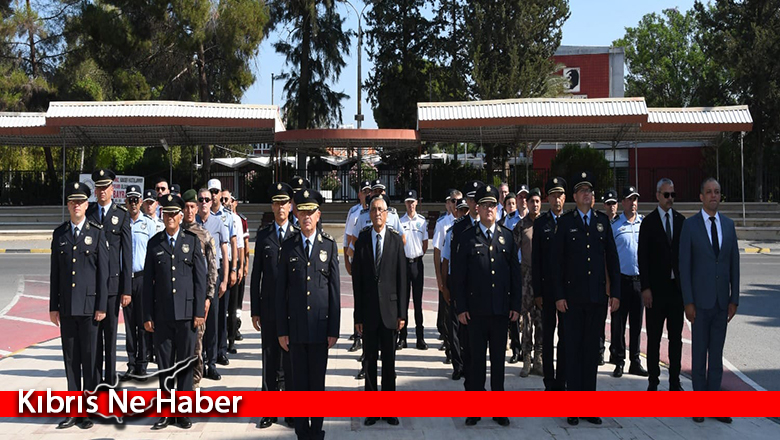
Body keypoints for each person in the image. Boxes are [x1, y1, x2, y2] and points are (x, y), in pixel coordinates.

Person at [553, 171, 620, 426]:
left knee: (591, 352)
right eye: (582, 190)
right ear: (574, 196)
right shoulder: (566, 223)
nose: (587, 194)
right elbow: (556, 263)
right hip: (571, 299)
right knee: (573, 351)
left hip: (596, 298)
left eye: (590, 191)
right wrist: (558, 295)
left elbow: (612, 260)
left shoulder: (602, 221)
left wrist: (615, 294)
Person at [452, 184, 520, 427]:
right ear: (477, 208)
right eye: (485, 205)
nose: (489, 209)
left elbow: (515, 275)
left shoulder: (508, 237)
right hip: (476, 312)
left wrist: (516, 305)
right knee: (476, 362)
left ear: (497, 208)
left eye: (493, 205)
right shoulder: (467, 237)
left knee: (499, 363)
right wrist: (460, 308)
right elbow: (458, 277)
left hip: (501, 311)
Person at [276, 189, 340, 440]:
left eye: (310, 212)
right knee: (299, 385)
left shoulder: (329, 246)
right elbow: (281, 293)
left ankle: (317, 430)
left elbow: (334, 290)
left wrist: (333, 329)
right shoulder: (289, 246)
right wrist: (282, 330)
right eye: (302, 212)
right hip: (296, 329)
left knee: (317, 386)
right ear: (297, 215)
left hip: (320, 329)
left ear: (318, 215)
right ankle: (302, 432)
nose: (306, 217)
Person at [143, 194, 206, 430]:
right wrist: (147, 316)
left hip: (188, 314)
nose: (170, 217)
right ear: (162, 215)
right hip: (162, 315)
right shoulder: (155, 243)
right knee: (165, 365)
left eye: (174, 213)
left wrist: (199, 311)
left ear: (181, 216)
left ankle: (184, 412)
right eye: (166, 213)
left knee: (186, 364)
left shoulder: (191, 241)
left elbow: (200, 279)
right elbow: (148, 284)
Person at [679, 178, 739, 425]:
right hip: (699, 303)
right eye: (709, 192)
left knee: (716, 356)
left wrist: (734, 298)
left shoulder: (729, 225)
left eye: (717, 192)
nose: (714, 196)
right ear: (701, 197)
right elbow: (684, 266)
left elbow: (734, 263)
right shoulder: (690, 226)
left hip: (721, 303)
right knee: (699, 356)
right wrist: (688, 301)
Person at [50, 182, 108, 430]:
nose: (76, 205)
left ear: (87, 205)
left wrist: (102, 305)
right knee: (71, 360)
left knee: (90, 359)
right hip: (67, 308)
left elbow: (103, 273)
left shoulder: (97, 232)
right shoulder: (60, 234)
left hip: (90, 308)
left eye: (80, 201)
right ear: (68, 205)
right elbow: (55, 274)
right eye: (72, 201)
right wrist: (54, 306)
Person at [352, 194, 406, 427]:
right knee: (370, 361)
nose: (377, 214)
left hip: (390, 312)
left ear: (387, 213)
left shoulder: (395, 240)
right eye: (373, 210)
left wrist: (402, 314)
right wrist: (358, 316)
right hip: (369, 313)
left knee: (390, 364)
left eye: (381, 210)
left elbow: (402, 279)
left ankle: (390, 409)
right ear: (369, 213)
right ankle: (372, 410)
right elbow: (357, 282)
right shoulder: (363, 240)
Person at [251, 183, 296, 430]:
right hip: (268, 307)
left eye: (284, 202)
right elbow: (256, 274)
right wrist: (255, 309)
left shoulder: (296, 234)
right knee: (269, 358)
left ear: (290, 206)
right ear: (273, 206)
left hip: (291, 308)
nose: (280, 207)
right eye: (277, 203)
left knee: (289, 359)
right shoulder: (264, 235)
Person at [638, 178, 685, 391]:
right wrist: (645, 288)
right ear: (658, 195)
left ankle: (675, 382)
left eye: (673, 195)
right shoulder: (648, 223)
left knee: (676, 339)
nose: (670, 199)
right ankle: (653, 381)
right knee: (654, 339)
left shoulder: (681, 221)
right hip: (655, 292)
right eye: (666, 195)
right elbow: (643, 258)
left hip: (676, 291)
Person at [86, 168, 131, 386]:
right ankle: (94, 381)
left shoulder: (121, 215)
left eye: (105, 187)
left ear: (112, 189)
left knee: (110, 338)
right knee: (93, 339)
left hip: (113, 286)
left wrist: (127, 289)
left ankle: (110, 381)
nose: (101, 191)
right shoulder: (89, 213)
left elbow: (127, 254)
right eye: (98, 188)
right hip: (92, 286)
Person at [444, 181, 484, 384]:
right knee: (464, 336)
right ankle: (466, 373)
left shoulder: (492, 226)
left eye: (478, 200)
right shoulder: (458, 229)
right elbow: (454, 264)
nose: (475, 204)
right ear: (467, 202)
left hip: (484, 293)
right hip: (466, 293)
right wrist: (450, 289)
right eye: (471, 200)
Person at [609, 186, 648, 378]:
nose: (633, 203)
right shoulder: (615, 226)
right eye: (629, 199)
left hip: (639, 281)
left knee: (636, 325)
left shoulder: (643, 224)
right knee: (618, 324)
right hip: (621, 281)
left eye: (635, 199)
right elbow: (609, 256)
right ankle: (619, 361)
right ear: (622, 202)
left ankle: (635, 361)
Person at [180, 190, 218, 390]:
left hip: (198, 297)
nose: (188, 210)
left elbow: (212, 268)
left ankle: (194, 383)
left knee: (197, 343)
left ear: (196, 209)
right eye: (185, 207)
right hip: (179, 300)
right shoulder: (175, 232)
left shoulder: (204, 235)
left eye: (192, 207)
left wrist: (208, 296)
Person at [532, 177, 567, 391]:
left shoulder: (570, 222)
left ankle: (561, 379)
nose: (556, 199)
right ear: (548, 198)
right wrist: (537, 291)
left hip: (565, 289)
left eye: (560, 195)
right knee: (547, 335)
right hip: (546, 289)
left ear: (565, 198)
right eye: (553, 195)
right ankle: (549, 380)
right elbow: (536, 260)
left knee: (565, 335)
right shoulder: (541, 223)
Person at [120, 185, 156, 382]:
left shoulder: (148, 224)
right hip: (126, 278)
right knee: (128, 325)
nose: (133, 203)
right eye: (130, 200)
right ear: (126, 202)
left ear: (141, 202)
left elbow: (152, 253)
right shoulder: (122, 223)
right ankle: (131, 363)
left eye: (136, 200)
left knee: (143, 324)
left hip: (143, 278)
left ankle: (142, 364)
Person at [196, 188, 230, 380]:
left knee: (213, 321)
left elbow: (225, 253)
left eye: (207, 199)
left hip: (212, 278)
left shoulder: (218, 223)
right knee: (198, 321)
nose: (203, 203)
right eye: (200, 199)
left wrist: (224, 280)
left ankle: (211, 363)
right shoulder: (191, 224)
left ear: (212, 202)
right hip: (196, 279)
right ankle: (198, 362)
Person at [207, 178, 237, 367]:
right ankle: (207, 351)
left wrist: (233, 269)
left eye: (216, 192)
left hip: (220, 266)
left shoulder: (228, 216)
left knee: (222, 311)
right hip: (205, 269)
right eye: (211, 192)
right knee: (209, 313)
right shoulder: (202, 215)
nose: (213, 195)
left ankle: (221, 350)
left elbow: (233, 243)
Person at [514, 188, 543, 378]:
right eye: (531, 201)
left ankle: (539, 359)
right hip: (525, 278)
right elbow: (511, 251)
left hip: (543, 278)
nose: (534, 204)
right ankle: (526, 357)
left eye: (537, 201)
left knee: (542, 320)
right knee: (526, 321)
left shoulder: (546, 224)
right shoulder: (521, 225)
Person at [398, 189, 428, 350]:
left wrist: (418, 255)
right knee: (403, 301)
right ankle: (402, 338)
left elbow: (425, 244)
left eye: (413, 201)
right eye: (408, 202)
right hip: (404, 263)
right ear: (405, 203)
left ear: (417, 202)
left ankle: (420, 337)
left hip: (417, 263)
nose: (410, 204)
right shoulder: (400, 221)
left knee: (418, 303)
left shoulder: (422, 221)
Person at [344, 180, 372, 353]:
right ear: (359, 193)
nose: (367, 194)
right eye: (365, 191)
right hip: (357, 260)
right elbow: (348, 237)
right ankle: (357, 336)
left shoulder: (376, 210)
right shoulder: (354, 212)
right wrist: (348, 262)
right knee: (358, 301)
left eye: (370, 191)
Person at [432, 189, 460, 359]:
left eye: (459, 200)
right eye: (453, 201)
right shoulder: (443, 223)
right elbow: (437, 252)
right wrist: (439, 279)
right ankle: (450, 348)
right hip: (447, 274)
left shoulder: (468, 221)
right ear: (449, 203)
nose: (456, 204)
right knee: (448, 315)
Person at [222, 189, 245, 354]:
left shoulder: (235, 219)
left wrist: (239, 267)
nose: (224, 202)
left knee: (232, 305)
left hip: (231, 263)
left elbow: (240, 246)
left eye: (226, 199)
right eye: (221, 198)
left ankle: (231, 339)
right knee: (220, 307)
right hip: (218, 265)